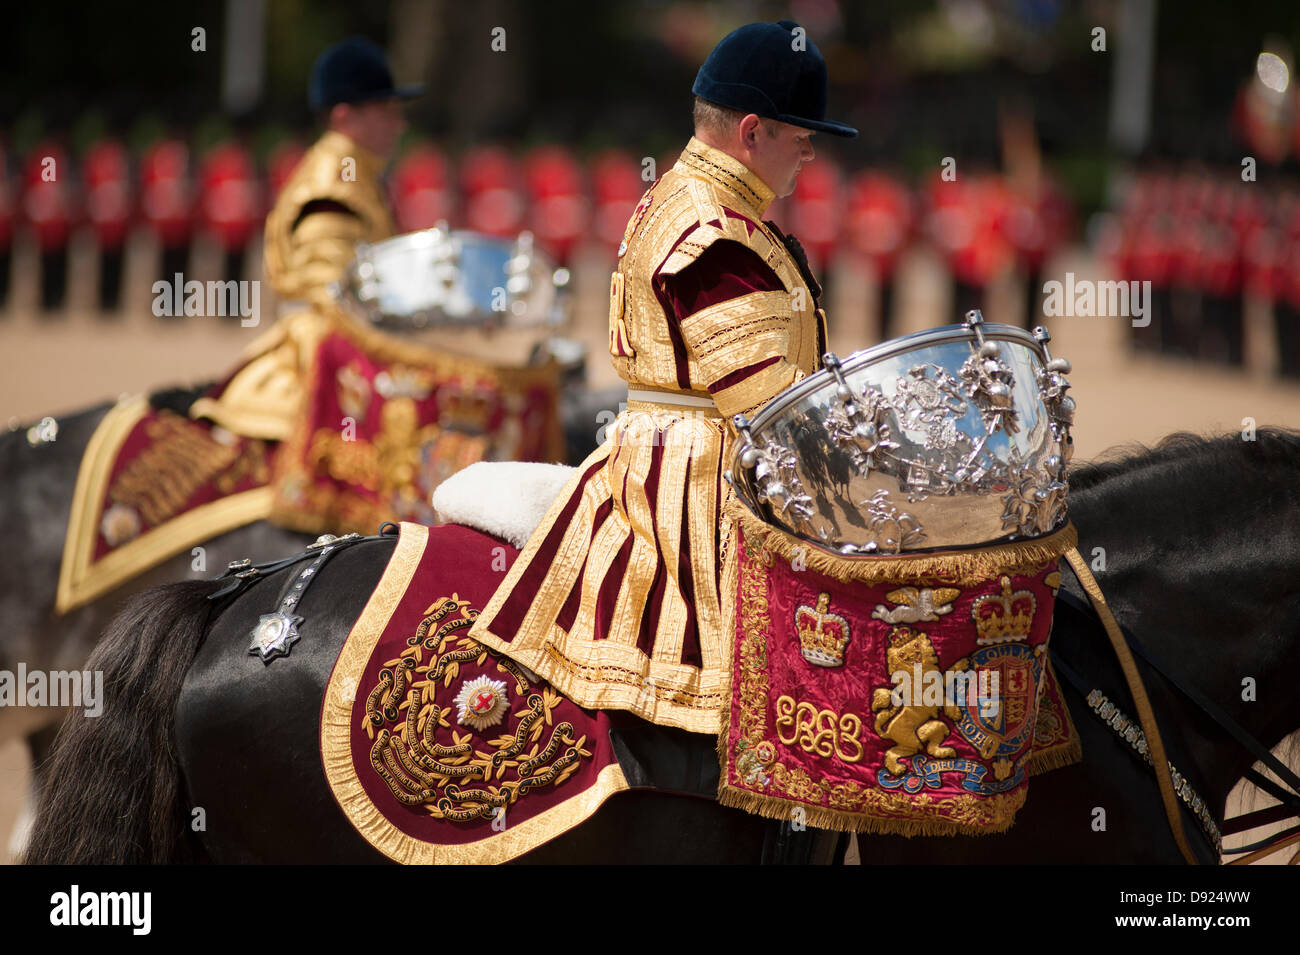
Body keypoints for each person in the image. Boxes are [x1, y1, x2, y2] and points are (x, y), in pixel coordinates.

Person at [468, 20, 857, 733]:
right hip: (699, 480)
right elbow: (767, 410)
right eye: (800, 133)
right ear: (750, 131)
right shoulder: (716, 234)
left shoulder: (691, 197)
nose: (810, 150)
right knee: (818, 678)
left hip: (677, 446)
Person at [191, 36, 421, 440]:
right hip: (320, 364)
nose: (399, 123)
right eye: (386, 110)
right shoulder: (334, 186)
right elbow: (335, 301)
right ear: (345, 117)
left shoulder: (357, 174)